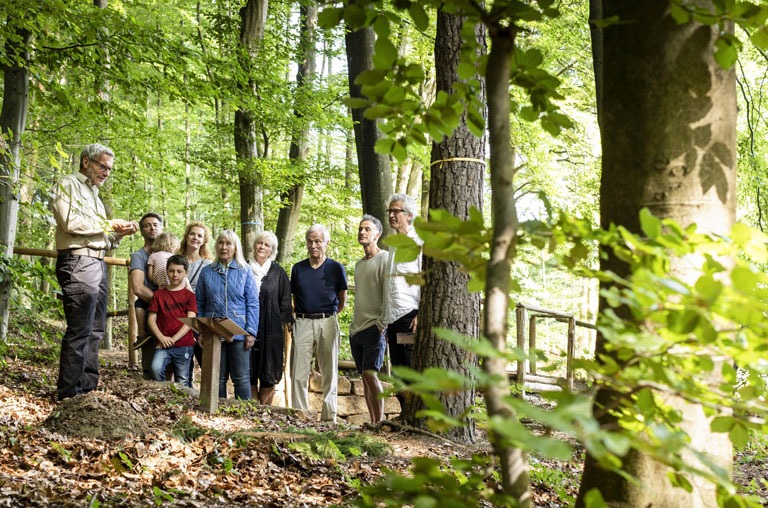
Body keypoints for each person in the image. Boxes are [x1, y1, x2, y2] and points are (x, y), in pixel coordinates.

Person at [50, 143, 139, 401]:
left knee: (96, 330)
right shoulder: (67, 184)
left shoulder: (96, 197)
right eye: (102, 166)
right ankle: (68, 395)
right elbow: (68, 221)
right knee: (80, 329)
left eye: (109, 169)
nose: (106, 173)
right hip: (78, 262)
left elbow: (104, 238)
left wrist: (118, 234)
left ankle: (87, 392)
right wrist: (107, 223)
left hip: (99, 263)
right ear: (86, 162)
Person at [290, 224, 348, 422]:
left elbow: (343, 300)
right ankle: (298, 414)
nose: (313, 245)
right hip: (303, 321)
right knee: (298, 371)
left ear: (326, 243)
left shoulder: (336, 268)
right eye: (310, 241)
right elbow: (294, 299)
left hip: (328, 321)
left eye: (317, 241)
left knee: (329, 371)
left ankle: (329, 416)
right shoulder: (298, 268)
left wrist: (329, 316)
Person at [196, 230, 259, 400]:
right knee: (218, 376)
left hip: (239, 330)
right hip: (213, 330)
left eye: (228, 243)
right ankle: (219, 413)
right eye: (221, 243)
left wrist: (251, 331)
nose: (224, 247)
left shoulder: (245, 271)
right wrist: (200, 331)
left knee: (241, 378)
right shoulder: (206, 272)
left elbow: (252, 302)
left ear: (235, 248)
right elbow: (199, 303)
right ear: (216, 246)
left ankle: (246, 415)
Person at [385, 193, 423, 411]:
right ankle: (405, 414)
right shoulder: (393, 246)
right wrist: (384, 318)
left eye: (396, 211)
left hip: (409, 316)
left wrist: (421, 314)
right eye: (390, 211)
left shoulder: (418, 243)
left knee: (410, 368)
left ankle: (415, 414)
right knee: (397, 372)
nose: (391, 215)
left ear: (409, 216)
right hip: (392, 317)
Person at [350, 215, 389, 423]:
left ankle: (380, 421)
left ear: (377, 234)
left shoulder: (385, 259)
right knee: (364, 378)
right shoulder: (359, 265)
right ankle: (373, 422)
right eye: (360, 229)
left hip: (375, 327)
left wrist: (383, 323)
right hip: (356, 328)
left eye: (367, 229)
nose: (362, 232)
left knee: (370, 374)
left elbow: (389, 293)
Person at [249, 231, 294, 405]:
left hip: (271, 330)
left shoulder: (278, 272)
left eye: (267, 245)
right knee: (249, 369)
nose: (262, 247)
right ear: (254, 245)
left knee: (269, 370)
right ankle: (251, 411)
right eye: (259, 243)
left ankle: (264, 411)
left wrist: (288, 322)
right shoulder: (244, 267)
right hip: (248, 328)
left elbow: (285, 300)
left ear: (272, 250)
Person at [148, 255, 197, 386]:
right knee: (155, 368)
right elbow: (151, 319)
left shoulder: (190, 296)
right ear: (166, 271)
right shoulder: (159, 294)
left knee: (182, 379)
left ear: (186, 273)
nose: (175, 275)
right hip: (163, 343)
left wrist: (173, 339)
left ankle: (183, 405)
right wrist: (162, 338)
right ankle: (165, 397)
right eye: (171, 271)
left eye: (179, 271)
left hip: (184, 344)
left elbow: (190, 321)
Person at [178, 221, 214, 385]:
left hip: (199, 314)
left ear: (204, 241)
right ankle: (185, 389)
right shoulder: (177, 261)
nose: (195, 238)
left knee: (203, 354)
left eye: (199, 235)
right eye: (192, 234)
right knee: (182, 356)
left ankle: (206, 394)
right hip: (179, 313)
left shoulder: (208, 264)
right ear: (186, 236)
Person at [129, 212, 164, 377]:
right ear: (141, 231)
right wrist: (164, 302)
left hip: (172, 315)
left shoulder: (172, 253)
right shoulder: (139, 256)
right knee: (151, 365)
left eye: (156, 225)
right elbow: (138, 287)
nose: (152, 228)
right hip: (150, 310)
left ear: (161, 228)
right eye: (147, 225)